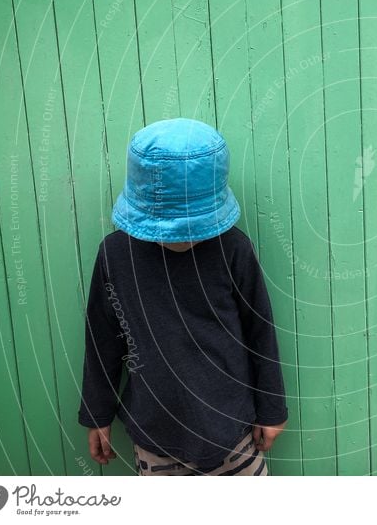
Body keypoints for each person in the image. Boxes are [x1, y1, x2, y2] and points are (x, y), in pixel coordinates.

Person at [77, 118, 288, 476]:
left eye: (192, 226)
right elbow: (102, 339)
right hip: (154, 434)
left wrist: (272, 409)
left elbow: (259, 332)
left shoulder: (233, 249)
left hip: (232, 433)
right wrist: (97, 413)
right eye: (169, 225)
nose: (180, 238)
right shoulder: (115, 255)